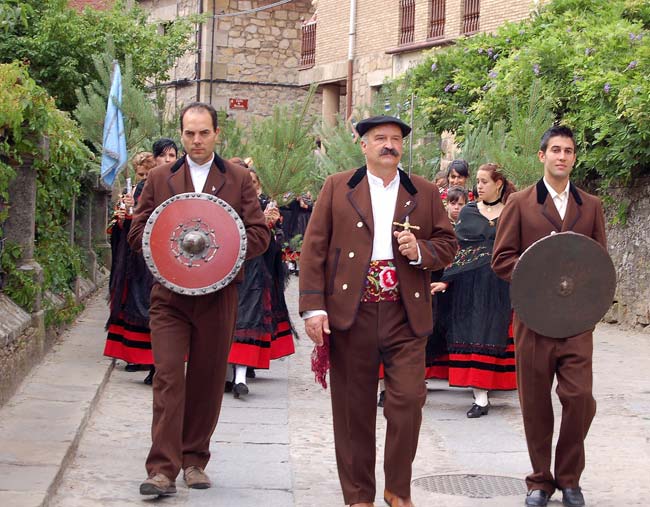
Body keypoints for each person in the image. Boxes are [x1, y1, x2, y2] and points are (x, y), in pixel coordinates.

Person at [299, 115, 457, 507]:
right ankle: (358, 496)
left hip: (406, 312)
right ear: (363, 145)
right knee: (353, 409)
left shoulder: (422, 191)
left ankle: (397, 490)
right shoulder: (338, 187)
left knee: (407, 401)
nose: (389, 145)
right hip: (351, 313)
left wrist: (420, 251)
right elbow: (314, 249)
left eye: (396, 139)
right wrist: (313, 308)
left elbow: (448, 244)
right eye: (380, 138)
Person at [128, 102, 270, 497]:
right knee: (169, 377)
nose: (196, 140)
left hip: (218, 296)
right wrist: (164, 244)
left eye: (203, 132)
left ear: (216, 134)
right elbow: (137, 231)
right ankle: (161, 469)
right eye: (189, 133)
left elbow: (260, 236)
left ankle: (194, 460)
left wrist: (224, 236)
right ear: (182, 133)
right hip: (168, 297)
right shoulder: (159, 178)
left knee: (208, 380)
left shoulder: (238, 179)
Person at [492, 126, 607, 507]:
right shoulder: (521, 203)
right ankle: (540, 481)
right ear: (541, 156)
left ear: (575, 157)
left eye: (569, 150)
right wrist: (535, 273)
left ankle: (570, 478)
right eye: (555, 150)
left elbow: (598, 263)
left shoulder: (591, 206)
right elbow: (501, 259)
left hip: (576, 321)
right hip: (533, 318)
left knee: (580, 398)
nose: (562, 156)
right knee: (536, 402)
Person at [431, 164, 517, 417]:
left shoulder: (512, 211)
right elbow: (458, 250)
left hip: (501, 284)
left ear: (498, 183)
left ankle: (488, 389)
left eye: (484, 181)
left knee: (494, 333)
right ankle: (479, 396)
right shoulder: (468, 212)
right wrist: (446, 279)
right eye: (477, 181)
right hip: (468, 285)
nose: (478, 186)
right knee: (472, 332)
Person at [226, 165, 296, 398]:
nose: (251, 186)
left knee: (248, 320)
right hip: (225, 270)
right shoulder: (225, 202)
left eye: (254, 182)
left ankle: (240, 377)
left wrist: (272, 226)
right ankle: (227, 374)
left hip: (254, 272)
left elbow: (275, 245)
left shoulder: (265, 205)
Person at [104, 152, 156, 384]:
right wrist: (123, 215)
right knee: (130, 302)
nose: (143, 178)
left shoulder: (156, 192)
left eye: (147, 174)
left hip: (151, 257)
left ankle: (152, 356)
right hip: (130, 258)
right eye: (140, 174)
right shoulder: (129, 192)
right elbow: (118, 226)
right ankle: (133, 356)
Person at [423, 186, 469, 382]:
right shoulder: (440, 225)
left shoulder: (469, 227)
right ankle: (429, 370)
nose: (457, 208)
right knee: (434, 325)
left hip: (458, 283)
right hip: (437, 278)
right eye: (453, 203)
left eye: (461, 204)